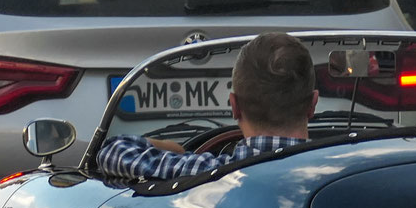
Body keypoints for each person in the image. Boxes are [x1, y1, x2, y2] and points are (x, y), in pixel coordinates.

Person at [93, 31, 319, 180]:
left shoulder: (207, 171)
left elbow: (113, 152)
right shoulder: (335, 169)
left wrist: (173, 148)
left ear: (234, 106)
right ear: (312, 104)